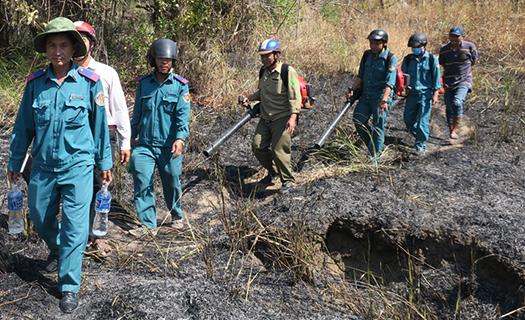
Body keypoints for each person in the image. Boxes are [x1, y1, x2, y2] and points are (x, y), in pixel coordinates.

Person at [7, 17, 112, 313]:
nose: (57, 51)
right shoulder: (35, 85)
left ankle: (68, 285)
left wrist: (105, 163)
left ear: (73, 47)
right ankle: (60, 248)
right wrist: (15, 162)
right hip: (42, 167)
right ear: (46, 49)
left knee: (76, 228)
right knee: (39, 217)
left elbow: (100, 128)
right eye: (52, 45)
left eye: (63, 45)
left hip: (78, 166)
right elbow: (22, 128)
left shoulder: (90, 83)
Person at [73, 20, 131, 257]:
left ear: (92, 44)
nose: (78, 44)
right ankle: (80, 235)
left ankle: (99, 236)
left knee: (101, 186)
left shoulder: (106, 73)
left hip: (103, 135)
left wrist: (125, 141)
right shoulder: (64, 71)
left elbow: (119, 108)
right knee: (77, 187)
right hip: (75, 137)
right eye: (74, 39)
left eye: (83, 39)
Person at [128, 38, 190, 236]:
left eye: (168, 59)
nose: (164, 62)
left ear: (174, 61)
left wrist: (180, 139)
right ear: (153, 59)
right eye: (160, 58)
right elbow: (137, 113)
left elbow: (182, 115)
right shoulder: (144, 84)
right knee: (142, 181)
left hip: (168, 145)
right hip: (145, 144)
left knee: (171, 181)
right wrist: (130, 137)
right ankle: (148, 225)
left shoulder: (180, 86)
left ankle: (176, 215)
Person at [240, 39, 301, 193]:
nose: (264, 59)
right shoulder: (263, 71)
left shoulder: (287, 71)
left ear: (276, 55)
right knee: (257, 146)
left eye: (267, 56)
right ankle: (273, 171)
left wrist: (293, 118)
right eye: (262, 56)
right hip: (265, 117)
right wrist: (250, 97)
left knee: (279, 150)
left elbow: (295, 97)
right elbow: (262, 92)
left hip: (282, 117)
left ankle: (288, 181)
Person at [346, 29, 398, 163]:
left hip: (381, 97)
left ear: (384, 44)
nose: (373, 46)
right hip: (366, 94)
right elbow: (361, 75)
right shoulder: (367, 55)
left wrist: (384, 100)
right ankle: (372, 143)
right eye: (371, 43)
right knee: (358, 119)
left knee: (378, 125)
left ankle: (374, 156)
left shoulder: (391, 59)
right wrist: (353, 89)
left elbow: (390, 83)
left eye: (377, 43)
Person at [401, 33, 441, 156]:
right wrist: (402, 89)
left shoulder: (431, 59)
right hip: (412, 95)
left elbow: (436, 77)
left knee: (423, 121)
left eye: (417, 46)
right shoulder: (408, 59)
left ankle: (420, 145)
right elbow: (402, 76)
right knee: (408, 120)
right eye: (413, 47)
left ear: (424, 46)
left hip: (426, 95)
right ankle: (420, 135)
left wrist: (436, 93)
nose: (414, 49)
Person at [439, 26, 478, 139]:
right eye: (452, 36)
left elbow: (473, 61)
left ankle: (455, 130)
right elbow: (443, 63)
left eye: (456, 36)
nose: (454, 38)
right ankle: (451, 129)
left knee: (457, 102)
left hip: (464, 80)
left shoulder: (470, 46)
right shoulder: (444, 49)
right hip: (448, 82)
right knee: (449, 107)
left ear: (462, 37)